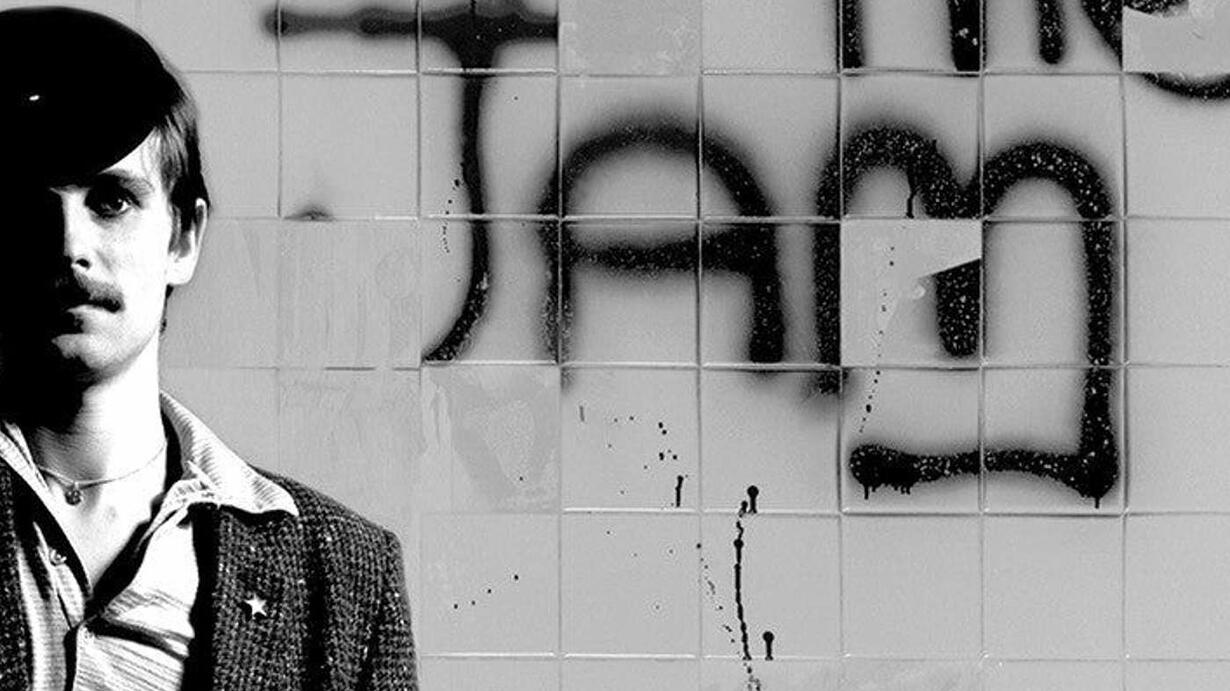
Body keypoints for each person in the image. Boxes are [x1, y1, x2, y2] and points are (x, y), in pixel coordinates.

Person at [0, 7, 416, 689]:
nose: (70, 246)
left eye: (112, 200)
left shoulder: (342, 578)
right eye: (24, 206)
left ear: (183, 238)